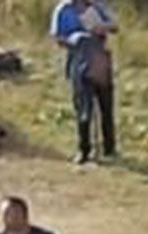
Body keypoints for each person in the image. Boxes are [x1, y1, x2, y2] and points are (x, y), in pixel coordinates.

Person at [50, 0, 116, 165]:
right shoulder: (63, 9)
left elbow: (114, 25)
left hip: (99, 59)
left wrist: (103, 27)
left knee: (106, 105)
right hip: (78, 60)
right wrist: (74, 39)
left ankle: (109, 147)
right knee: (83, 107)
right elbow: (57, 37)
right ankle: (84, 149)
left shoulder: (97, 5)